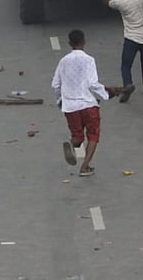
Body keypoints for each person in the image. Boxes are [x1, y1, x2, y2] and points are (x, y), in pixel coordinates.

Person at [52, 29, 122, 177]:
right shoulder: (89, 60)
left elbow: (56, 85)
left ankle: (72, 144)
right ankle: (85, 166)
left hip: (70, 106)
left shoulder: (63, 61)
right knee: (93, 135)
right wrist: (106, 95)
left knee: (77, 136)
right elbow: (92, 84)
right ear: (84, 41)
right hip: (88, 104)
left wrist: (60, 101)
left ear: (69, 43)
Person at [95, 0, 143, 101]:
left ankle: (128, 84)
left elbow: (107, 3)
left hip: (131, 38)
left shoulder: (119, 2)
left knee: (126, 65)